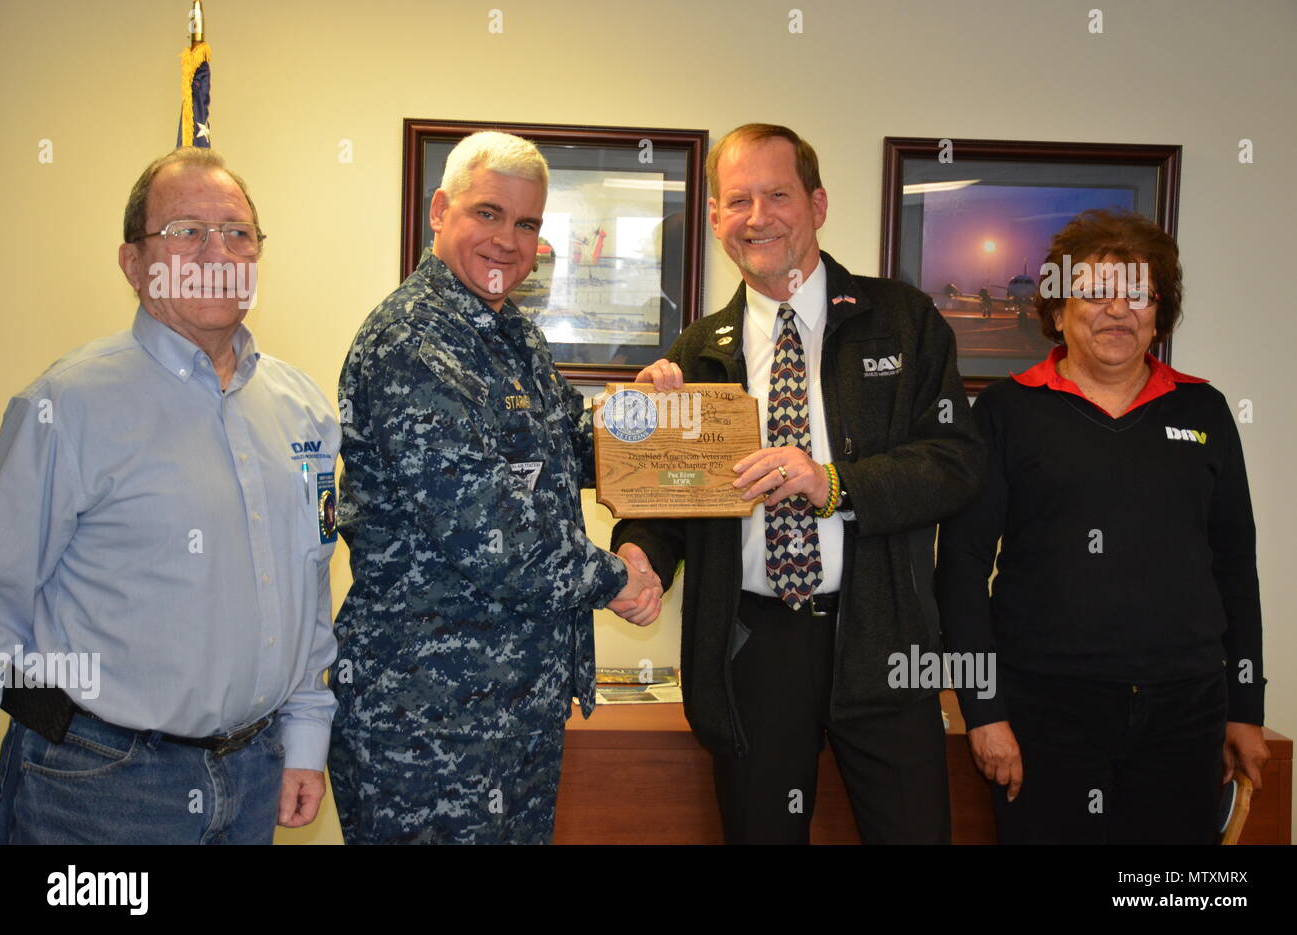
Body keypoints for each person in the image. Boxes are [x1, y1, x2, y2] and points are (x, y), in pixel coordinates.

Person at [613, 124, 984, 844]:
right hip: (754, 644)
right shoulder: (698, 349)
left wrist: (833, 483)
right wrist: (640, 554)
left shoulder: (903, 322)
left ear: (816, 203)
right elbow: (671, 500)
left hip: (884, 637)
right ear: (717, 217)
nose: (758, 217)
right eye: (738, 200)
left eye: (777, 195)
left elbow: (956, 463)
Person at [329, 131, 670, 845]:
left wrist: (642, 417)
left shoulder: (508, 333)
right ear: (440, 210)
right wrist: (619, 579)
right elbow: (491, 537)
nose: (507, 241)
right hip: (428, 720)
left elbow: (569, 446)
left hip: (509, 709)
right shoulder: (412, 343)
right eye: (488, 214)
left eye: (526, 224)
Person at [0, 147, 339, 844]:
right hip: (97, 790)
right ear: (133, 263)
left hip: (253, 774)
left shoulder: (302, 408)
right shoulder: (64, 407)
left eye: (238, 232)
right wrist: (67, 732)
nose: (218, 250)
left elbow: (308, 585)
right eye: (185, 230)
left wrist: (305, 738)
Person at [934, 208, 1269, 844]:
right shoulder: (1008, 410)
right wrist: (983, 712)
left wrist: (1246, 707)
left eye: (1138, 295)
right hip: (1044, 711)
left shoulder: (1205, 409)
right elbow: (962, 566)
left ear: (1158, 313)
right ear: (1058, 312)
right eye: (1095, 294)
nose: (1118, 311)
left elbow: (1236, 566)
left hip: (1187, 709)